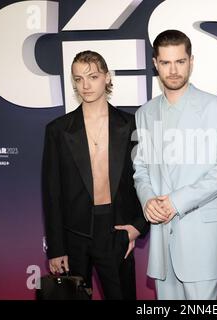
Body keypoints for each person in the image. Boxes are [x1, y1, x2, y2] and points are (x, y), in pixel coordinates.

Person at [132, 29, 217, 300]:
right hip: (161, 241)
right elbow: (141, 168)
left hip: (201, 237)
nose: (173, 70)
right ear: (155, 64)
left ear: (191, 61)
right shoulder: (144, 113)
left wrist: (176, 201)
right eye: (166, 63)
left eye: (180, 61)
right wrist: (147, 201)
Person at [42, 50, 148, 299]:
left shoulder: (131, 125)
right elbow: (52, 192)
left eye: (92, 76)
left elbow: (146, 179)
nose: (85, 85)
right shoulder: (58, 130)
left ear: (107, 78)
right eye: (78, 79)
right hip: (73, 234)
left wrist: (137, 227)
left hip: (116, 230)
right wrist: (56, 248)